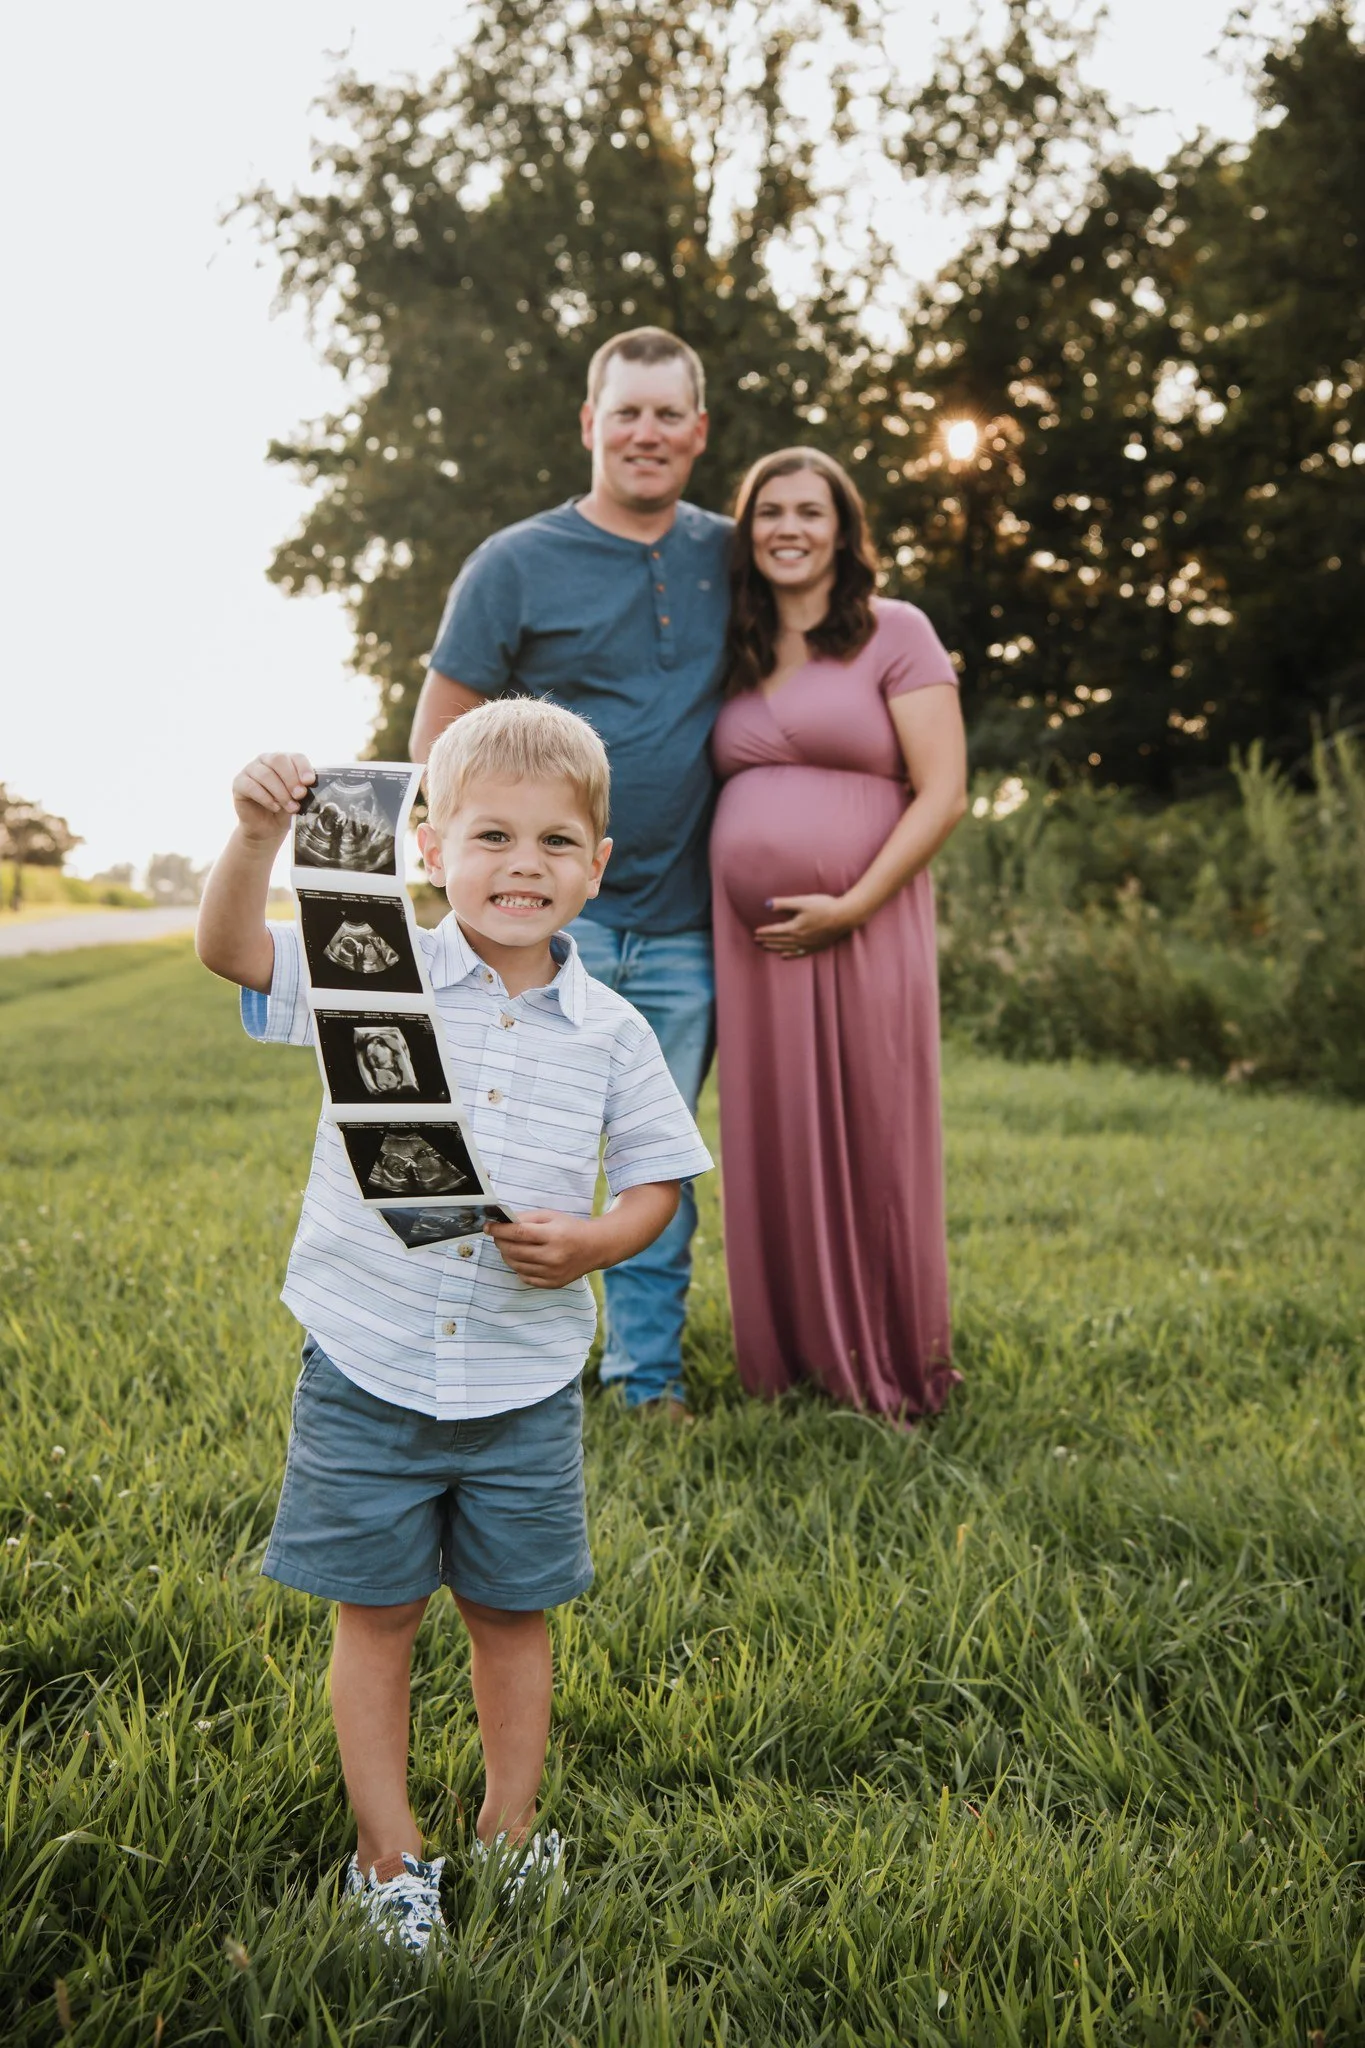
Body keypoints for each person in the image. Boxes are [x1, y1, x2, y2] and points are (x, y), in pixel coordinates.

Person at [195, 698, 712, 1954]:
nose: (520, 865)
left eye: (552, 842)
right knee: (374, 1614)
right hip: (366, 1359)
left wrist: (596, 1240)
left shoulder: (613, 1029)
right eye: (490, 836)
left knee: (511, 1611)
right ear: (429, 848)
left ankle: (508, 1827)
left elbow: (657, 1182)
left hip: (524, 1382)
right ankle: (390, 1851)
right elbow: (231, 951)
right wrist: (258, 832)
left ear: (598, 864)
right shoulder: (377, 962)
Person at [409, 327, 730, 1414]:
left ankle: (648, 1377)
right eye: (625, 411)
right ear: (591, 425)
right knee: (516, 1141)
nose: (646, 431)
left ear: (697, 430)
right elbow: (440, 743)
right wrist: (489, 886)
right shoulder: (514, 563)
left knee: (656, 1157)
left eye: (666, 412)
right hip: (550, 924)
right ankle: (493, 1360)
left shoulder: (729, 556)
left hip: (687, 921)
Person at [709, 448, 968, 1420]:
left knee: (873, 1126)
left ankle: (893, 1359)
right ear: (748, 531)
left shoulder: (895, 630)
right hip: (756, 948)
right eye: (769, 510)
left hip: (866, 922)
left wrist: (853, 904)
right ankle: (788, 1364)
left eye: (809, 511)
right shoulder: (733, 646)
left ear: (842, 528)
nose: (788, 527)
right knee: (772, 1135)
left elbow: (944, 790)